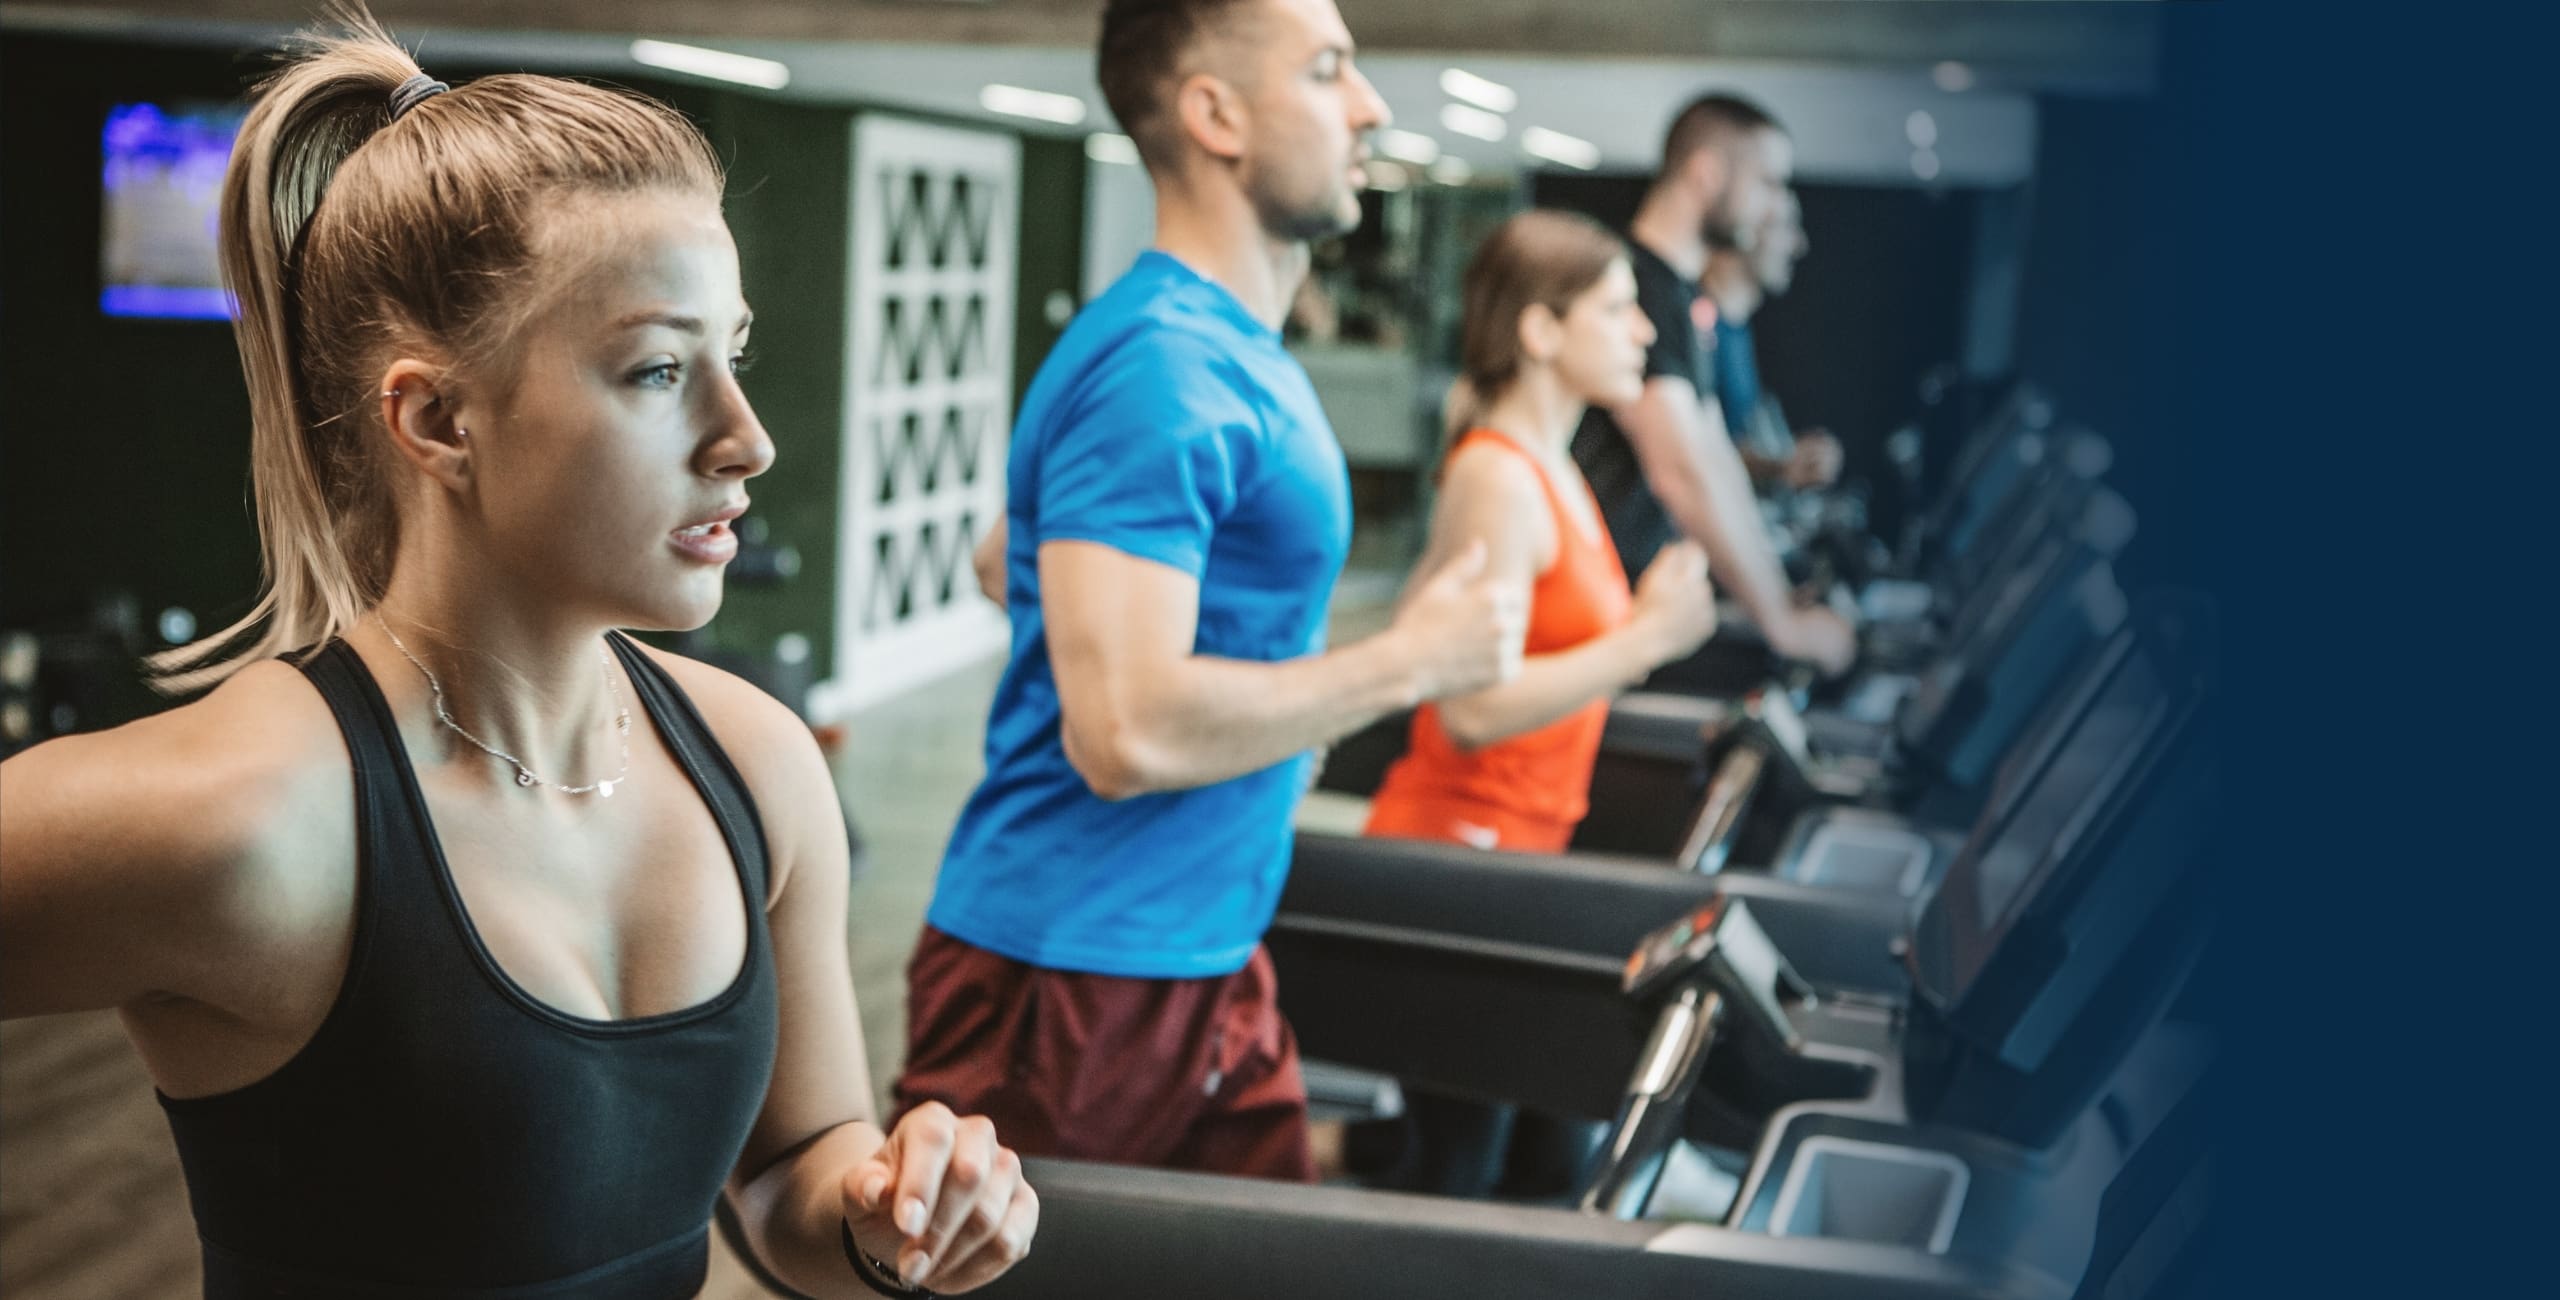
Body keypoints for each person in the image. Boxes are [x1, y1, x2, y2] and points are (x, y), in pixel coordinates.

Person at [0, 11, 1031, 1297]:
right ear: (437, 418)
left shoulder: (755, 766)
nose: (747, 437)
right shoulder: (247, 818)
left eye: (736, 355)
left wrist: (892, 1213)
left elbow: (787, 1181)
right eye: (660, 370)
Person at [897, 0, 1523, 1183]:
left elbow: (1005, 555)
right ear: (1214, 113)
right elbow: (1122, 730)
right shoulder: (1165, 364)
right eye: (1329, 68)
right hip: (1074, 967)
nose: (1371, 105)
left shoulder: (1221, 349)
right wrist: (1412, 660)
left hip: (1201, 944)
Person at [1364, 210, 1718, 856]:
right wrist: (1646, 639)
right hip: (1461, 834)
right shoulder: (1500, 476)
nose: (1643, 332)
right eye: (1616, 311)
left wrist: (1643, 628)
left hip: (1521, 832)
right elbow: (1470, 712)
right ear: (1541, 330)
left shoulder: (1555, 469)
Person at [1570, 93, 1858, 676]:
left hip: (1619, 603)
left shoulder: (1678, 297)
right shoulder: (1638, 288)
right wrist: (1782, 624)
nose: (1775, 207)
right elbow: (1682, 471)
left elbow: (1715, 458)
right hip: (1583, 613)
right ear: (1706, 174)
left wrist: (1778, 597)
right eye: (1768, 184)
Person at [1706, 190, 1844, 496]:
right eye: (1786, 227)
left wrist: (1785, 462)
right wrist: (1781, 466)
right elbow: (1688, 452)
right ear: (1746, 232)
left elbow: (1726, 442)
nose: (1799, 245)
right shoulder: (1696, 325)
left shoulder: (1736, 330)